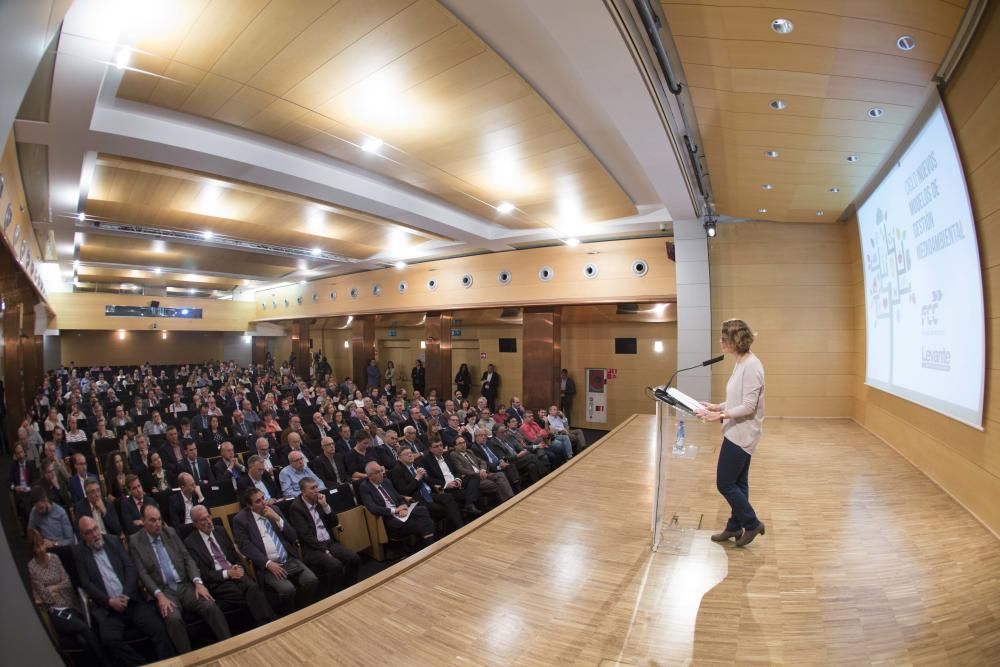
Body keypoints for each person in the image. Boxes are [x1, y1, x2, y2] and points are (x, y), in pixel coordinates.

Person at [696, 318, 766, 547]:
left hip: (742, 434)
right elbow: (737, 398)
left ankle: (752, 523)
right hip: (736, 431)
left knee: (724, 483)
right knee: (739, 484)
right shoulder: (741, 362)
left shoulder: (752, 366)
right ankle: (735, 527)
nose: (720, 341)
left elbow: (748, 406)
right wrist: (718, 406)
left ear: (735, 340)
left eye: (724, 338)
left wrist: (720, 416)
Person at [128, 504, 231, 653]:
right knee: (173, 618)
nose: (157, 524)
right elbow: (142, 573)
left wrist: (198, 582)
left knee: (209, 605)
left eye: (159, 520)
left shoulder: (170, 532)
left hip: (184, 585)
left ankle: (229, 646)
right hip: (163, 591)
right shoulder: (135, 541)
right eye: (152, 520)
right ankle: (187, 658)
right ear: (143, 521)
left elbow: (187, 558)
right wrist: (159, 595)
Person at [74, 516, 177, 664]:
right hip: (108, 610)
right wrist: (109, 601)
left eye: (96, 529)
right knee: (109, 640)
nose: (95, 534)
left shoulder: (113, 541)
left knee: (158, 628)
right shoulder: (79, 553)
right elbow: (87, 584)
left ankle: (166, 663)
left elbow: (131, 568)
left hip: (131, 601)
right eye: (89, 532)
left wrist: (125, 595)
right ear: (83, 536)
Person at [183, 505, 277, 627]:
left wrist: (238, 567)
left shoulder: (220, 531)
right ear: (195, 524)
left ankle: (265, 624)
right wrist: (227, 573)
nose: (208, 522)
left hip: (235, 572)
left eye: (208, 517)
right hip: (218, 581)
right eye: (203, 520)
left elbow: (234, 556)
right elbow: (204, 573)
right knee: (247, 594)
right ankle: (269, 623)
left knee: (253, 587)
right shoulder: (191, 542)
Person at [232, 488, 319, 614]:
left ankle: (303, 611)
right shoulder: (240, 520)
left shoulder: (275, 510)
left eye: (263, 498)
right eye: (258, 501)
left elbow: (293, 536)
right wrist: (268, 563)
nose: (263, 503)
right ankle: (289, 616)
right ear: (249, 506)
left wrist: (277, 519)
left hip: (288, 559)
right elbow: (245, 547)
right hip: (268, 566)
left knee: (311, 580)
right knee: (288, 590)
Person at [27, 528, 109, 664]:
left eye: (42, 544)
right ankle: (106, 663)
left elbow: (68, 582)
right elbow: (45, 596)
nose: (41, 549)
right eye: (37, 547)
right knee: (84, 629)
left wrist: (54, 587)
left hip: (71, 604)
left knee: (83, 640)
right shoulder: (32, 566)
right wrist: (57, 587)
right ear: (32, 549)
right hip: (55, 610)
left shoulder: (54, 558)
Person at [287, 477, 360, 595]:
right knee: (335, 565)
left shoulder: (320, 501)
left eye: (316, 487)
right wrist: (325, 551)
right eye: (312, 488)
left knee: (353, 557)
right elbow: (305, 536)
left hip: (329, 542)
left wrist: (325, 506)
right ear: (303, 492)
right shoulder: (296, 508)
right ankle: (335, 594)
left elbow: (334, 522)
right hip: (312, 548)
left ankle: (349, 587)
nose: (316, 490)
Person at [390, 448, 464, 533]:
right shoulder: (397, 470)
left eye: (410, 453)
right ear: (399, 458)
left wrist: (426, 476)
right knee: (441, 508)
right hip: (417, 498)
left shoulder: (416, 464)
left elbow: (429, 481)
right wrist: (417, 478)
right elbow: (404, 491)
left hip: (430, 493)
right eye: (406, 454)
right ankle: (446, 531)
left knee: (448, 497)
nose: (410, 455)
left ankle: (460, 527)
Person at [359, 461, 435, 543]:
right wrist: (395, 511)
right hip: (389, 517)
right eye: (377, 472)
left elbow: (398, 497)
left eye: (381, 470)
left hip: (400, 511)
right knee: (425, 523)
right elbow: (373, 508)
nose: (381, 474)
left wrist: (403, 507)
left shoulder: (386, 481)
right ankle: (430, 545)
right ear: (370, 476)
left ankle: (429, 545)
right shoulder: (365, 487)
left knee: (422, 509)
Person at [449, 434, 514, 502]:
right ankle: (506, 502)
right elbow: (461, 469)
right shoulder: (454, 454)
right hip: (474, 479)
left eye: (464, 442)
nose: (463, 445)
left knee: (500, 474)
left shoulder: (469, 451)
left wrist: (483, 470)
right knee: (493, 484)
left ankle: (511, 499)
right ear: (455, 446)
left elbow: (482, 461)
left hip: (483, 474)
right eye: (460, 443)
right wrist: (477, 474)